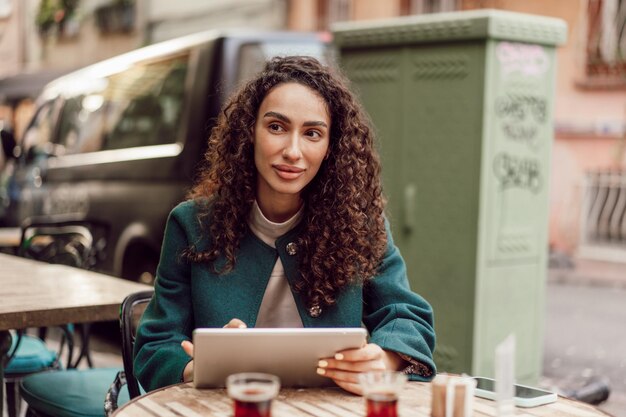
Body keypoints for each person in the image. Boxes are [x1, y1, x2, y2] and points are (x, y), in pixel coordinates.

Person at [134, 56, 436, 395]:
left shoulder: (361, 225)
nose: (293, 151)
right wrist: (194, 367)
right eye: (276, 127)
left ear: (329, 148)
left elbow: (409, 318)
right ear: (250, 131)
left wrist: (384, 359)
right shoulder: (191, 224)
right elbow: (155, 344)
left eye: (312, 133)